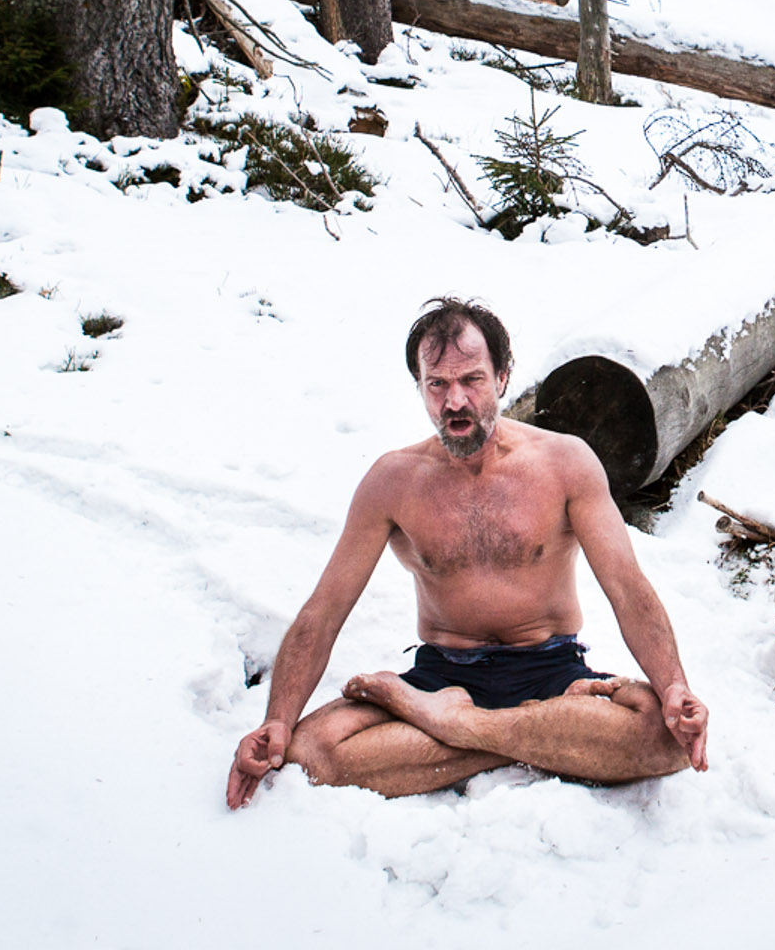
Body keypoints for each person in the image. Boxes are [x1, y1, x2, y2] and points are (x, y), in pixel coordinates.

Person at [226, 298, 709, 808]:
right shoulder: (392, 482)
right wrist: (276, 721)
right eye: (437, 384)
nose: (454, 400)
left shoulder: (565, 463)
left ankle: (460, 728)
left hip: (550, 669)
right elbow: (322, 613)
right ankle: (547, 743)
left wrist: (674, 687)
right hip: (442, 676)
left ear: (502, 377)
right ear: (421, 387)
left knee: (666, 737)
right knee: (311, 752)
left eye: (471, 380)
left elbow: (629, 589)